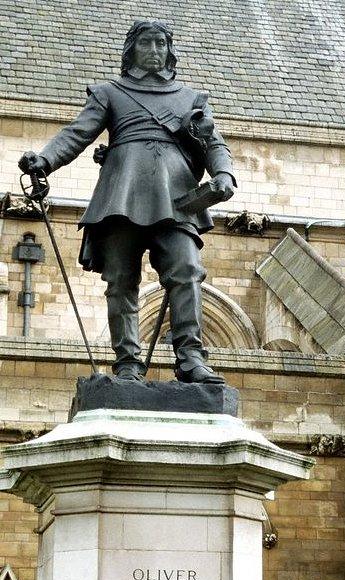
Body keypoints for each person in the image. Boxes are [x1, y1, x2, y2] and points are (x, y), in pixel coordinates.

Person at [19, 20, 235, 383]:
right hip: (121, 194)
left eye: (161, 45)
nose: (154, 51)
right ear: (132, 50)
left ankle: (191, 358)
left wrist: (224, 173)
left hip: (176, 198)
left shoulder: (191, 99)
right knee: (121, 280)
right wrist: (45, 160)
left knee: (186, 271)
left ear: (170, 51)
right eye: (147, 44)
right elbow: (77, 134)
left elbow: (214, 143)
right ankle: (128, 363)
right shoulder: (109, 92)